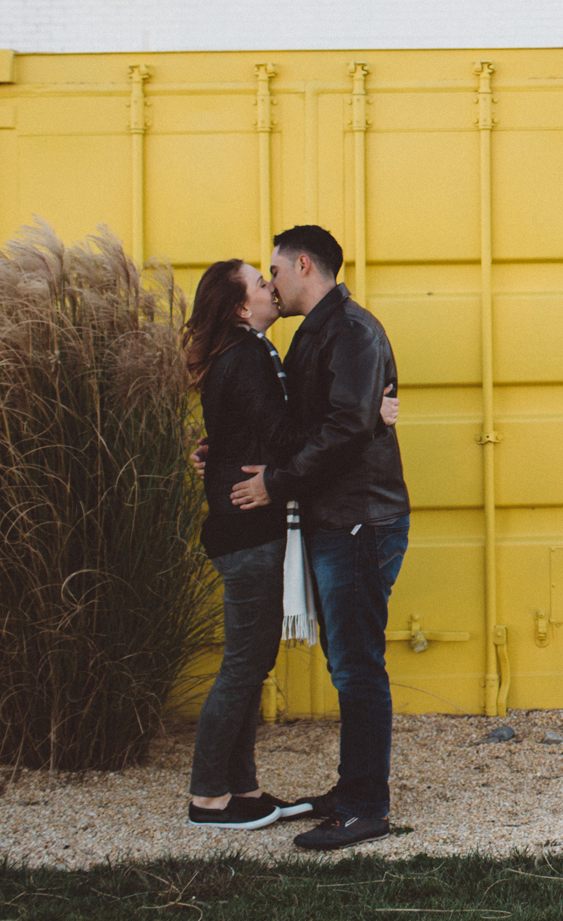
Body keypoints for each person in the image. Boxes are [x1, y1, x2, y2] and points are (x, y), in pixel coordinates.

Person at [180, 258, 398, 830]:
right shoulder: (250, 354)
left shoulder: (259, 351)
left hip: (249, 527)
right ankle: (209, 797)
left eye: (269, 273)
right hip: (245, 529)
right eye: (259, 281)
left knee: (252, 661)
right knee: (246, 662)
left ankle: (242, 788)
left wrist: (219, 449)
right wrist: (366, 415)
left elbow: (256, 429)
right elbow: (282, 434)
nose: (269, 285)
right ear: (239, 307)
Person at [231, 224, 409, 852]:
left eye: (273, 271)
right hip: (341, 520)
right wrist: (220, 452)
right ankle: (352, 789)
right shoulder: (321, 333)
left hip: (361, 521)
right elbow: (309, 423)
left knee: (358, 667)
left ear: (302, 264)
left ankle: (365, 807)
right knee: (347, 663)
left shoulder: (352, 331)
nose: (271, 284)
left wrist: (276, 483)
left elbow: (341, 429)